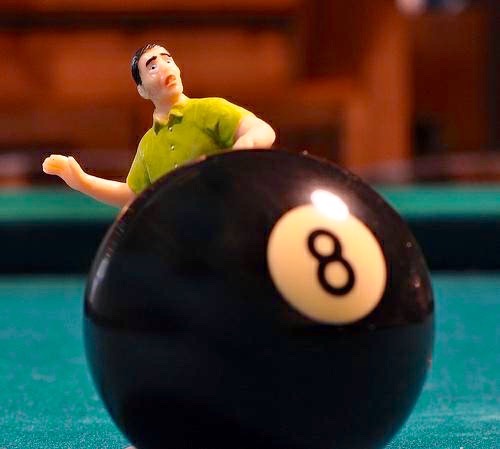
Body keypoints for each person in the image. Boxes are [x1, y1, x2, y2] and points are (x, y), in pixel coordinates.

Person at [42, 43, 276, 208]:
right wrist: (83, 182)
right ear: (142, 90)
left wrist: (246, 145)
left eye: (168, 60)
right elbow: (133, 194)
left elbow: (262, 130)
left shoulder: (210, 110)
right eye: (152, 67)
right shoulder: (148, 144)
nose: (165, 67)